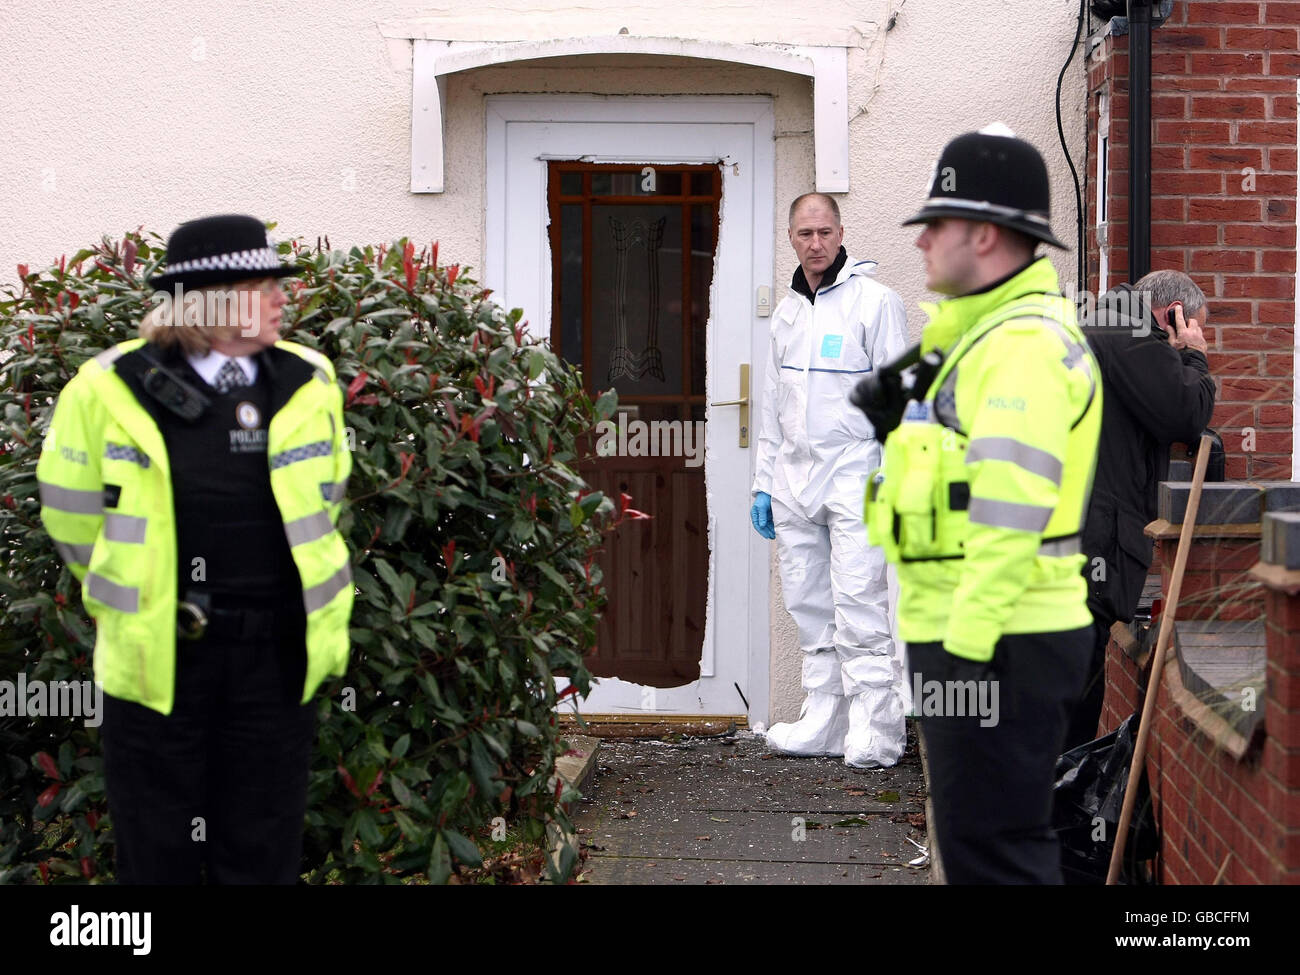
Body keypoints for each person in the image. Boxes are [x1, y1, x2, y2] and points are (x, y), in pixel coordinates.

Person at [36, 214, 353, 883]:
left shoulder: (310, 379)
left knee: (262, 851)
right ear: (207, 299)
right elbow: (69, 515)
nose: (280, 298)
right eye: (262, 284)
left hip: (276, 659)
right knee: (157, 852)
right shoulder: (106, 387)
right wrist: (131, 588)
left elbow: (327, 499)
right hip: (159, 661)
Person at [858, 125, 1102, 883]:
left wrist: (965, 643)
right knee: (979, 847)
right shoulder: (984, 334)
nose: (923, 240)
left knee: (996, 855)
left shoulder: (1019, 345)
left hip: (996, 635)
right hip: (987, 629)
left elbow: (1010, 508)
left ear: (987, 235)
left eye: (939, 222)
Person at [750, 192, 909, 768]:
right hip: (794, 477)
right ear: (790, 238)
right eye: (803, 234)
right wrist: (763, 483)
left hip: (855, 474)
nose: (814, 244)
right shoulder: (788, 310)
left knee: (859, 601)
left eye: (823, 232)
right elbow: (773, 402)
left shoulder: (875, 303)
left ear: (841, 233)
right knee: (808, 603)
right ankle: (825, 716)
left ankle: (879, 727)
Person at [1065, 270, 1216, 749]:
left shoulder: (1105, 324)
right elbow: (1183, 412)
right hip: (1086, 542)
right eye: (1193, 324)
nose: (1192, 336)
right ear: (1172, 313)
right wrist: (1194, 357)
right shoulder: (1127, 331)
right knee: (1071, 700)